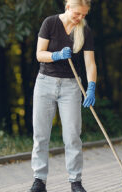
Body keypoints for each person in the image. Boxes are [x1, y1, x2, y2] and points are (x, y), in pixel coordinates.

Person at [29, 0, 96, 192]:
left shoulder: (84, 31)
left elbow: (90, 63)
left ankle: (76, 182)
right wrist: (56, 55)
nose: (80, 18)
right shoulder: (49, 23)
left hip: (71, 87)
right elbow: (39, 54)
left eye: (84, 15)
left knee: (73, 136)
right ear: (68, 7)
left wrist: (91, 86)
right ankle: (39, 181)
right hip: (45, 83)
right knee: (41, 135)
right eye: (77, 14)